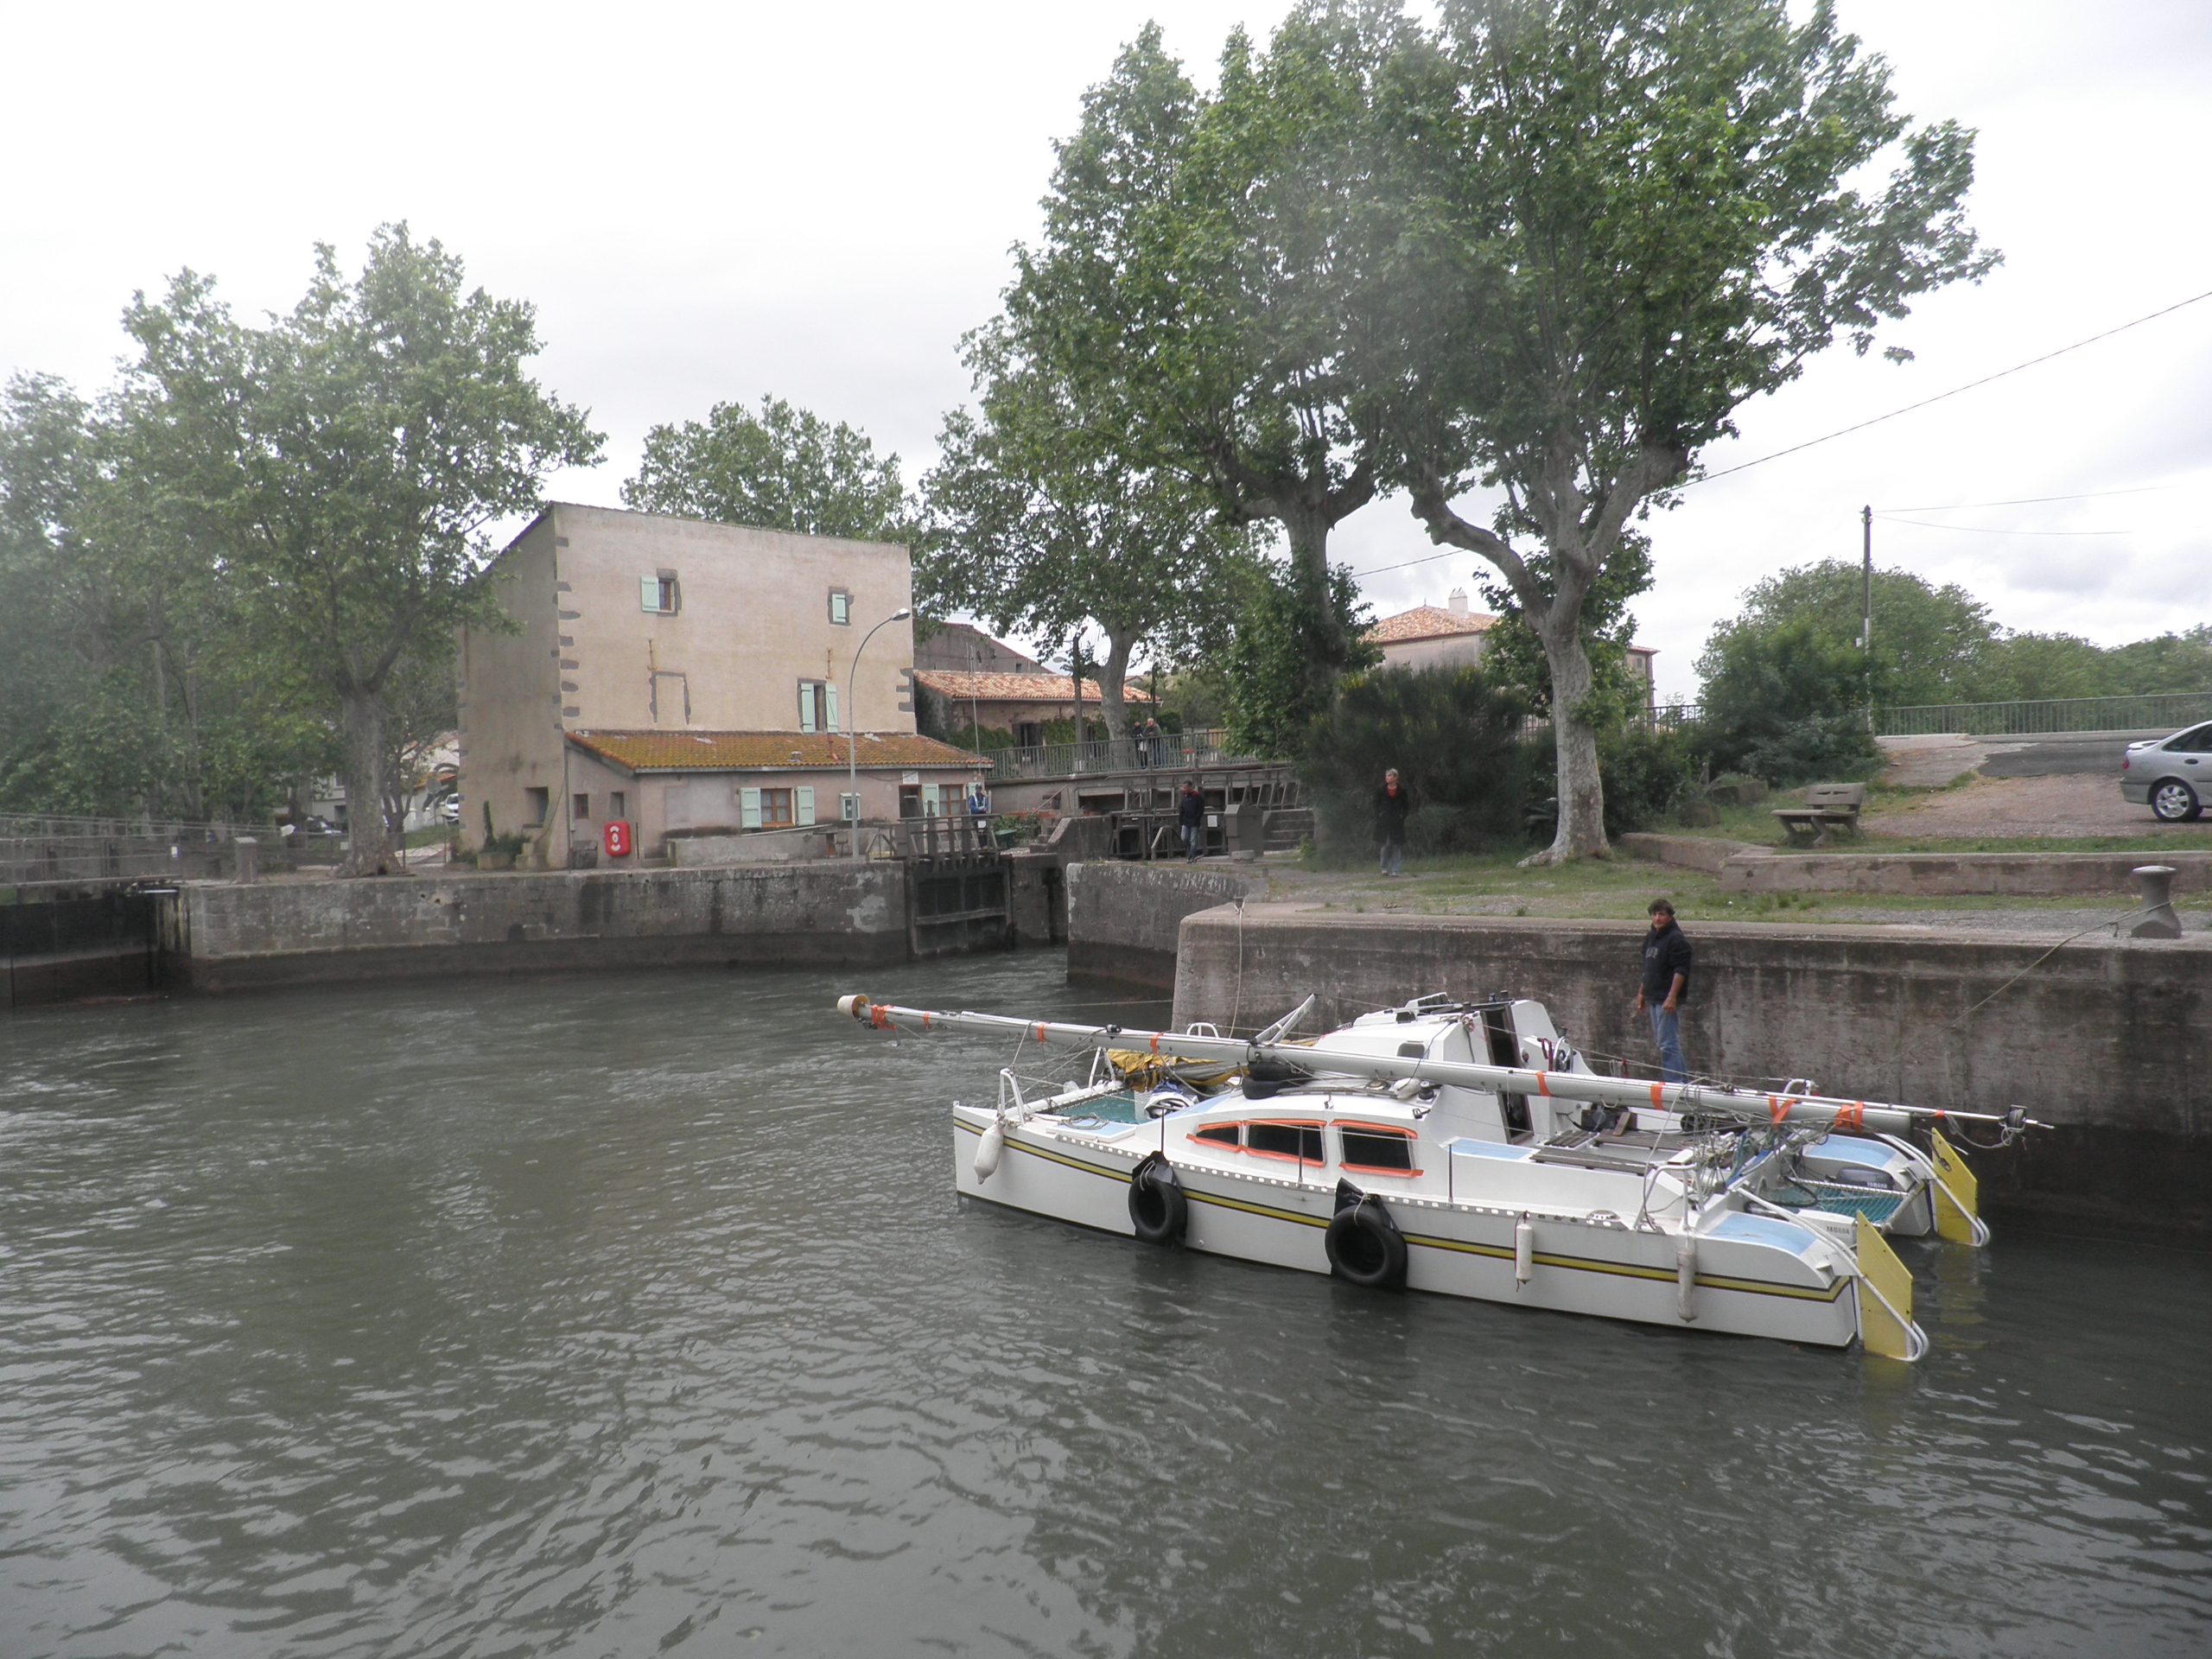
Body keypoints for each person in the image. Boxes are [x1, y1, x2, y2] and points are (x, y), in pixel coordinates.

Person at [1634, 898, 1694, 1084]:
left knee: (1667, 1043)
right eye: (1654, 914)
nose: (1657, 918)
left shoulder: (1676, 939)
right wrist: (1642, 993)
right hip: (1653, 996)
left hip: (1666, 998)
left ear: (1669, 917)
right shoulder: (1651, 938)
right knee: (1664, 1043)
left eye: (1662, 914)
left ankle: (1674, 1083)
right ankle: (1681, 1080)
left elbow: (1681, 970)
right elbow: (1647, 968)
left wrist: (1672, 997)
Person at [1374, 768, 1412, 877]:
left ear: (1396, 778)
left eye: (1389, 776)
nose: (1387, 778)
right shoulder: (1381, 790)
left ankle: (1395, 870)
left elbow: (1406, 806)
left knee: (1397, 846)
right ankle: (1384, 868)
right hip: (1385, 821)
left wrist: (1402, 817)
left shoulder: (1402, 791)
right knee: (1385, 845)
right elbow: (1376, 804)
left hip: (1397, 822)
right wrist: (1379, 815)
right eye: (1386, 776)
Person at [1178, 779, 1205, 862]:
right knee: (1184, 838)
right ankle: (1191, 850)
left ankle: (1192, 855)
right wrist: (1181, 821)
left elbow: (1201, 809)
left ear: (1190, 788)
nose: (1184, 790)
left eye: (1185, 788)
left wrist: (1197, 818)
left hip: (1194, 821)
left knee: (1193, 840)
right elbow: (1181, 810)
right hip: (1185, 821)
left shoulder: (1198, 797)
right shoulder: (1184, 799)